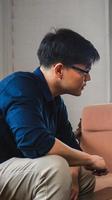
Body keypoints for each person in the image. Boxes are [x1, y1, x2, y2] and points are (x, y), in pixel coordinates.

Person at [0, 28, 106, 200]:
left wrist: (76, 168)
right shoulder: (20, 85)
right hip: (3, 165)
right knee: (55, 168)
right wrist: (90, 160)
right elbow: (34, 143)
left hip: (18, 168)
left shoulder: (56, 102)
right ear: (59, 70)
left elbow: (70, 146)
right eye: (84, 71)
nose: (88, 78)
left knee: (84, 175)